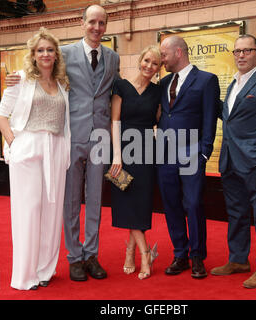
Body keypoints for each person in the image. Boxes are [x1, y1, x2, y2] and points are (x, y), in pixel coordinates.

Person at [6, 5, 120, 282]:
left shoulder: (113, 57)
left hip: (100, 138)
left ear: (106, 26)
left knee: (95, 200)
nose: (96, 27)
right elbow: (40, 69)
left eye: (101, 23)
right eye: (91, 21)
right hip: (69, 137)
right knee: (70, 201)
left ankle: (91, 254)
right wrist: (17, 77)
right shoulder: (64, 53)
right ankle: (74, 257)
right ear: (82, 23)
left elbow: (115, 92)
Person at [0, 27, 71, 290]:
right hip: (27, 148)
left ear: (56, 54)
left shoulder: (62, 83)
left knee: (52, 212)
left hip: (57, 147)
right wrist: (13, 143)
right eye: (40, 50)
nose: (45, 54)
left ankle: (44, 271)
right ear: (33, 54)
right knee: (28, 212)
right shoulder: (20, 78)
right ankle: (24, 276)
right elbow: (1, 114)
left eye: (50, 49)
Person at [210, 34, 256, 289]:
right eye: (237, 51)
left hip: (253, 163)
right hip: (230, 160)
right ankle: (238, 260)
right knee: (236, 213)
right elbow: (230, 118)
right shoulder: (233, 85)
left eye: (247, 50)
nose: (241, 55)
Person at [157, 36, 220, 279]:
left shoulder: (206, 80)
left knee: (193, 204)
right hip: (165, 156)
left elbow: (209, 117)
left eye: (164, 55)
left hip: (193, 154)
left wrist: (205, 151)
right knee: (171, 205)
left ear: (179, 53)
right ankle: (180, 254)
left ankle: (197, 256)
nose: (162, 59)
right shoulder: (163, 83)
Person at [109, 45, 161, 280]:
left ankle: (130, 252)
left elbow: (159, 123)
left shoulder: (158, 92)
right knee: (128, 202)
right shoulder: (121, 86)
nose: (149, 66)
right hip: (123, 152)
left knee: (140, 204)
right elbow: (115, 122)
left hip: (146, 153)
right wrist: (117, 155)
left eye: (155, 64)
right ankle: (145, 254)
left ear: (159, 68)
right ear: (140, 59)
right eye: (147, 60)